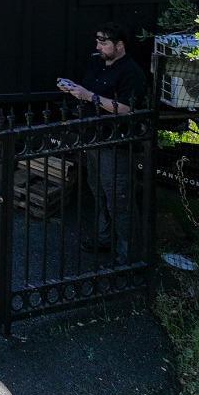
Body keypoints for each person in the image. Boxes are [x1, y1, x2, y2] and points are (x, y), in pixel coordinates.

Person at [56, 24, 146, 255]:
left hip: (115, 142)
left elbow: (126, 108)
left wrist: (89, 96)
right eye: (98, 42)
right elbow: (87, 91)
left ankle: (131, 254)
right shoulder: (97, 64)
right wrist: (74, 88)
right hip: (93, 138)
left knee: (119, 197)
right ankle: (104, 238)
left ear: (119, 45)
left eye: (104, 43)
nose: (99, 47)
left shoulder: (131, 72)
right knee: (98, 191)